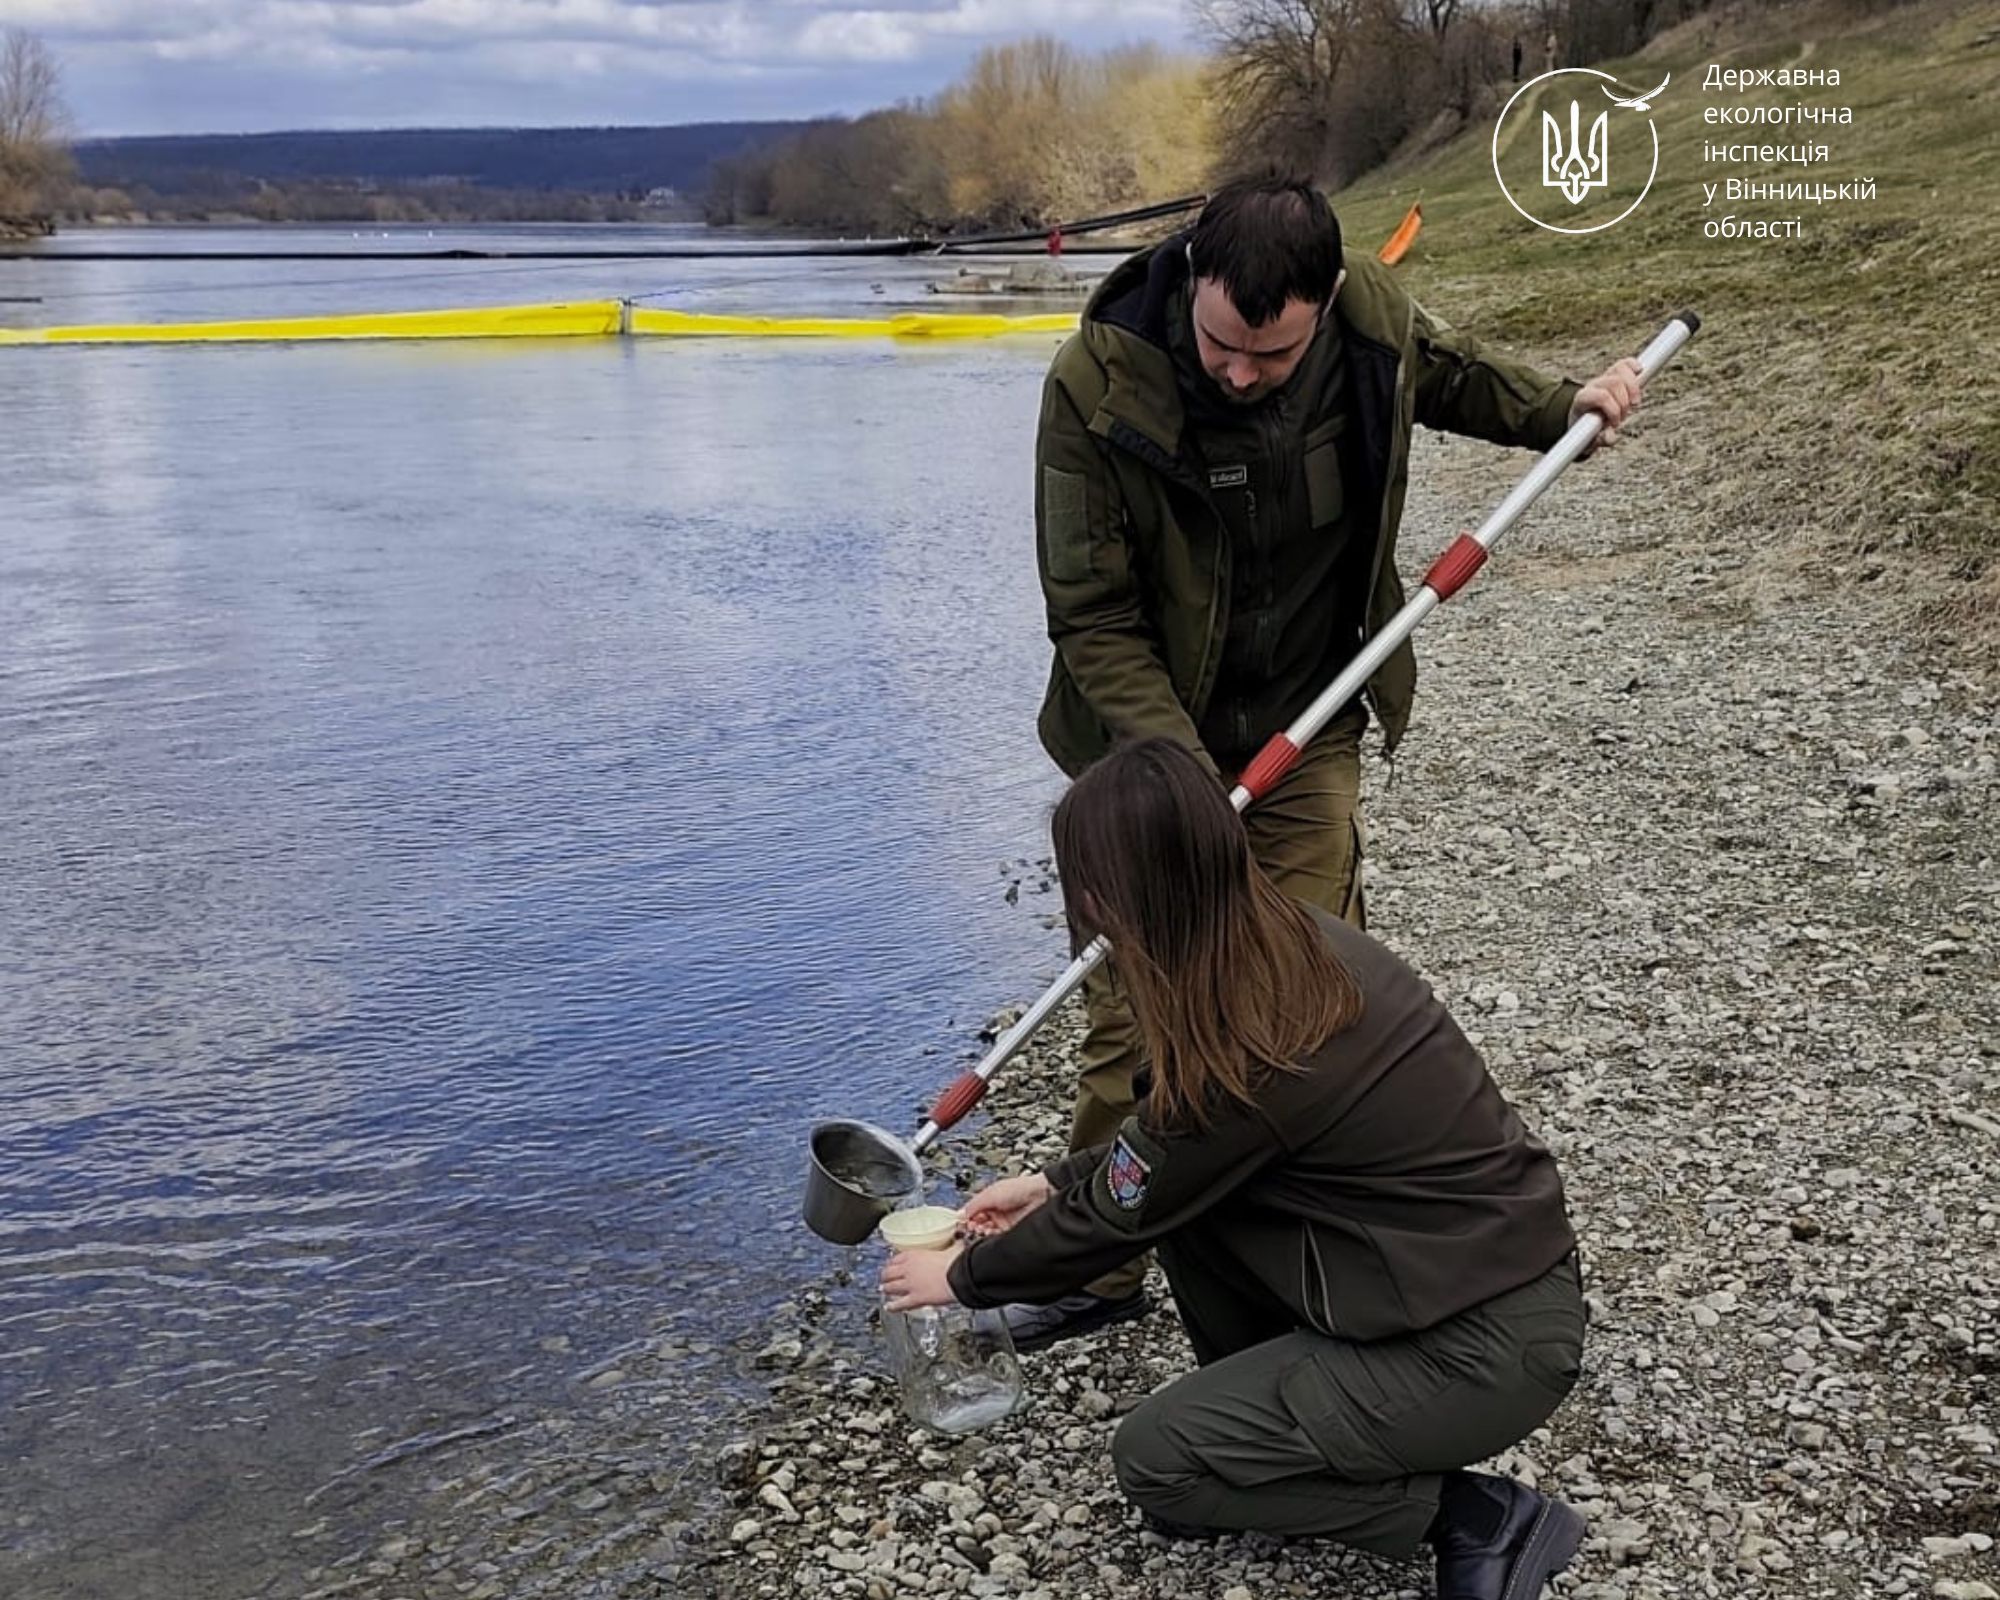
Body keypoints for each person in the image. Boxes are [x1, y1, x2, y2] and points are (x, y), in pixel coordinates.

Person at [1010, 171, 1642, 1348]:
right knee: (1134, 1014)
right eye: (1220, 345)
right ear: (1189, 277)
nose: (1239, 373)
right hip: (1141, 757)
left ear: (1326, 298)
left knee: (1290, 1001)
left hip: (1310, 718)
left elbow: (1448, 374)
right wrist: (1180, 776)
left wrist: (1566, 407)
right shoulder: (1094, 382)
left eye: (1271, 355)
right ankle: (1093, 1263)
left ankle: (1295, 1248)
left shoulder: (1368, 323)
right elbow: (1090, 617)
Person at [883, 739, 1588, 1600]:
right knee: (1194, 1218)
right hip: (1455, 1281)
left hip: (1476, 1349)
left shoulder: (1260, 1036)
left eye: (1088, 887)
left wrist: (962, 1278)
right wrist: (1053, 1184)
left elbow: (1127, 1208)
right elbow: (1174, 1152)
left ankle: (1478, 1519)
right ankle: (1271, 1429)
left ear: (1120, 892)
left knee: (1157, 1465)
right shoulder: (1273, 939)